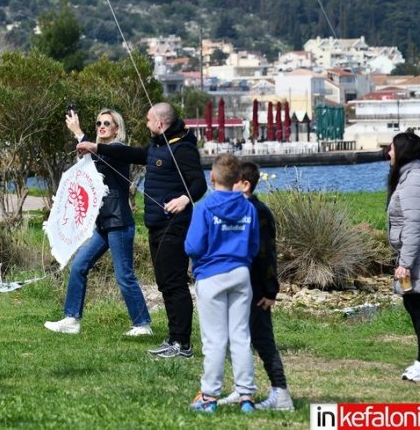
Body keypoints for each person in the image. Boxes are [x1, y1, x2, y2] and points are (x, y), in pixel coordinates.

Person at [77, 102, 207, 358]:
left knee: (175, 284)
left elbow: (199, 183)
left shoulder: (183, 149)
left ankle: (183, 344)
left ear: (160, 122)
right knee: (164, 284)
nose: (146, 124)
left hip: (175, 225)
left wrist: (184, 199)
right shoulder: (158, 146)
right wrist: (95, 147)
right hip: (156, 225)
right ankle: (173, 340)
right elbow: (133, 154)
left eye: (148, 120)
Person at [44, 108, 152, 336]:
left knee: (124, 275)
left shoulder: (118, 150)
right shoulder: (99, 151)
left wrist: (78, 133)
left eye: (107, 123)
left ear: (117, 129)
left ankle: (142, 324)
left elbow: (100, 157)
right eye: (98, 123)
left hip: (119, 222)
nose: (101, 126)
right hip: (104, 225)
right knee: (78, 266)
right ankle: (72, 319)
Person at [185, 153, 259, 414]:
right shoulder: (249, 207)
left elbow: (192, 246)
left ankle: (208, 396)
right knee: (240, 337)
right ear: (239, 179)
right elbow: (254, 245)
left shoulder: (203, 207)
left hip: (211, 276)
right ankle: (246, 396)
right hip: (240, 273)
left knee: (214, 340)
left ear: (212, 177)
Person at [218, 161, 294, 410]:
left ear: (245, 184)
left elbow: (266, 254)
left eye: (233, 180)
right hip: (237, 286)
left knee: (263, 340)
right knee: (236, 339)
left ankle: (281, 394)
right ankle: (242, 390)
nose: (228, 183)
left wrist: (270, 291)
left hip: (256, 290)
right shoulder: (237, 209)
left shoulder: (257, 212)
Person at [387, 130, 420, 382]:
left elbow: (414, 224)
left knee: (419, 305)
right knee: (414, 303)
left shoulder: (413, 181)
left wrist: (405, 263)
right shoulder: (411, 176)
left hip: (419, 251)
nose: (389, 153)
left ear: (403, 152)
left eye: (392, 148)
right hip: (417, 249)